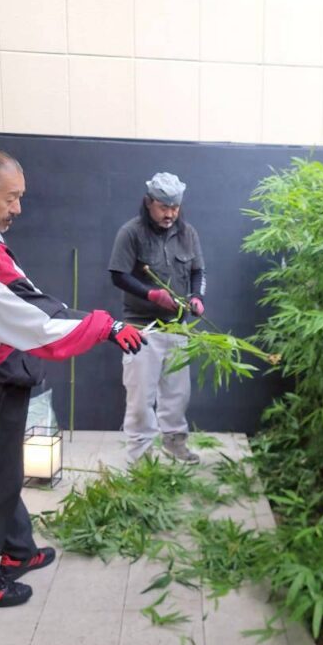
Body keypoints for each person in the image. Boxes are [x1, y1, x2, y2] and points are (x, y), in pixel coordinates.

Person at [0, 150, 146, 608]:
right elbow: (34, 314)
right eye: (10, 198)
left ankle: (17, 549)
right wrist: (106, 325)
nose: (18, 208)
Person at [108, 172, 206, 465]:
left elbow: (198, 272)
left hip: (177, 326)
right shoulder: (131, 232)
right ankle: (140, 455)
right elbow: (118, 275)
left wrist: (197, 297)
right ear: (148, 202)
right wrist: (150, 294)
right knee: (140, 397)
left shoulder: (188, 233)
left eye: (175, 207)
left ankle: (175, 443)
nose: (170, 214)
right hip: (141, 328)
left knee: (178, 394)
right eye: (164, 207)